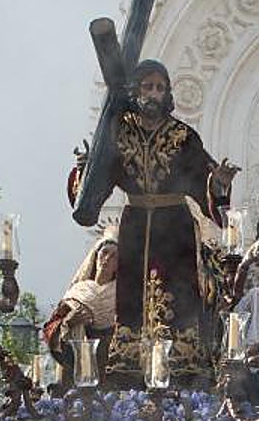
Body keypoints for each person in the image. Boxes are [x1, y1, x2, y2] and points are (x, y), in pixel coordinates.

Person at [68, 59, 238, 386]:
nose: (154, 94)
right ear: (135, 90)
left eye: (160, 88)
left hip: (174, 230)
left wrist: (218, 183)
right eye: (148, 87)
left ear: (168, 94)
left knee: (179, 297)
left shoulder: (183, 136)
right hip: (134, 228)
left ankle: (182, 372)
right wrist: (84, 169)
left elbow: (206, 182)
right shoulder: (117, 135)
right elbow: (93, 189)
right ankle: (129, 374)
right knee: (131, 301)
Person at [44, 236, 118, 386]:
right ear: (96, 256)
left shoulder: (120, 295)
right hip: (75, 369)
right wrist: (68, 323)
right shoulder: (77, 292)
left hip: (109, 369)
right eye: (104, 252)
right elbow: (49, 330)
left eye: (114, 256)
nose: (107, 258)